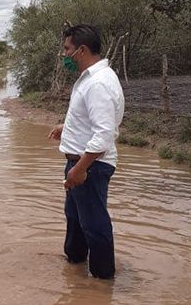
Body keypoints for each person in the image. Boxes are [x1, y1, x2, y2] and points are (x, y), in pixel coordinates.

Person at [48, 24, 124, 279]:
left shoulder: (98, 83)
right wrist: (66, 126)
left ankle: (102, 279)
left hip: (89, 165)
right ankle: (75, 265)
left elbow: (103, 133)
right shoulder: (90, 79)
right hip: (81, 163)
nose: (64, 55)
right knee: (76, 217)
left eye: (67, 49)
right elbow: (91, 119)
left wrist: (80, 170)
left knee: (94, 223)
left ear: (81, 50)